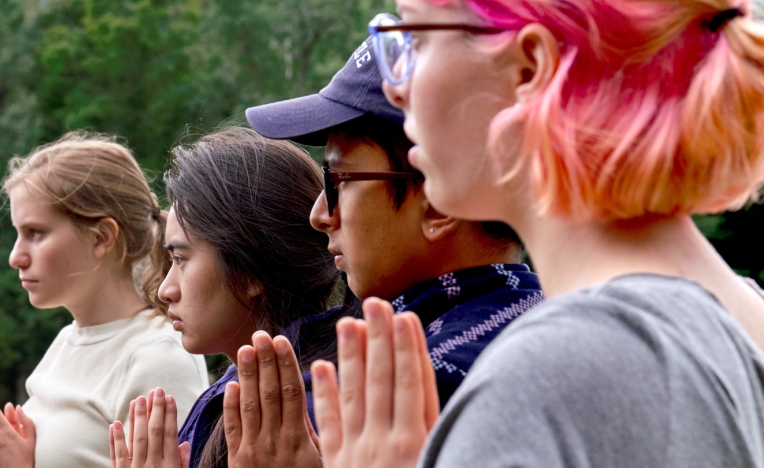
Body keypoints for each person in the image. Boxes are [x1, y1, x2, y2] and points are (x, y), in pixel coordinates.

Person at [311, 1, 764, 467]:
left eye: (417, 42)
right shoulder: (742, 318)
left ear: (528, 69)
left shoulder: (544, 383)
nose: (395, 88)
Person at [246, 37, 543, 408]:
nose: (319, 215)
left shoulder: (425, 389)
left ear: (438, 202)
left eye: (337, 180)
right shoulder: (548, 329)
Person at [0, 132, 209, 468]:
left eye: (35, 233)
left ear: (101, 238)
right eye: (18, 233)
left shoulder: (157, 359)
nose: (16, 257)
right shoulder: (66, 342)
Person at [109, 126, 347, 468]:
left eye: (180, 259)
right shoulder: (243, 391)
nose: (165, 290)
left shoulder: (299, 417)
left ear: (250, 271)